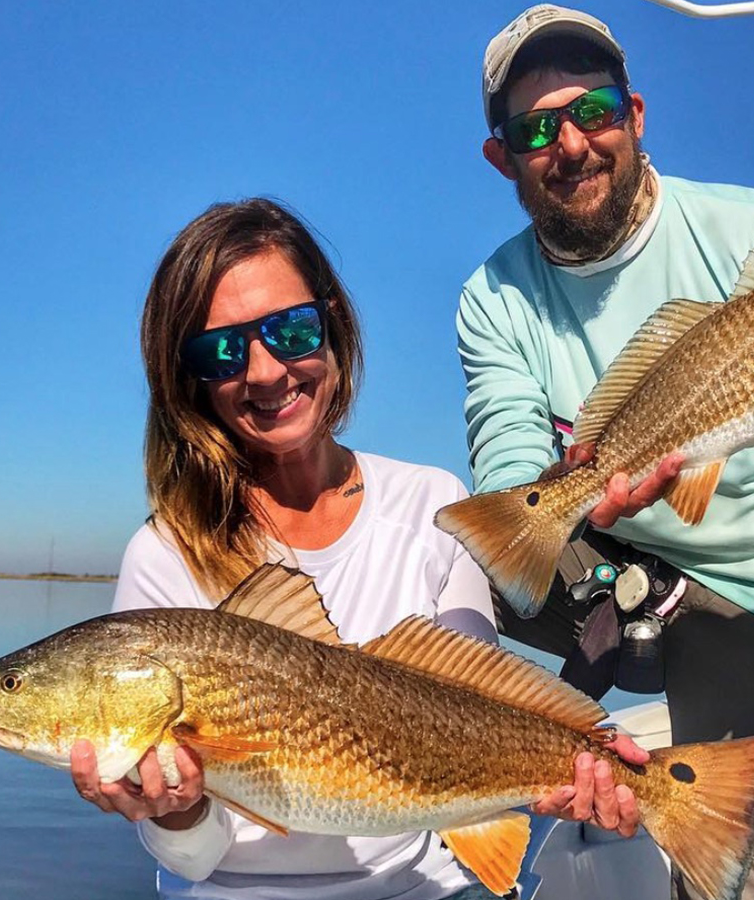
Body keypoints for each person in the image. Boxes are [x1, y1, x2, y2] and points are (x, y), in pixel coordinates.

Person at [457, 6, 754, 900]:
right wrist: (566, 497)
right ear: (502, 156)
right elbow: (509, 467)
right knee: (454, 554)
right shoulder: (494, 296)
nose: (570, 142)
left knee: (727, 886)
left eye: (594, 110)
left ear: (635, 114)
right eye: (535, 128)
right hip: (628, 576)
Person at [68, 197, 644, 900]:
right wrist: (180, 809)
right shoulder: (164, 555)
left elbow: (476, 703)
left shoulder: (433, 506)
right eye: (220, 350)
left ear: (333, 324)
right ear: (189, 380)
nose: (265, 372)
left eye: (291, 329)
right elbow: (192, 862)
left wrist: (579, 769)